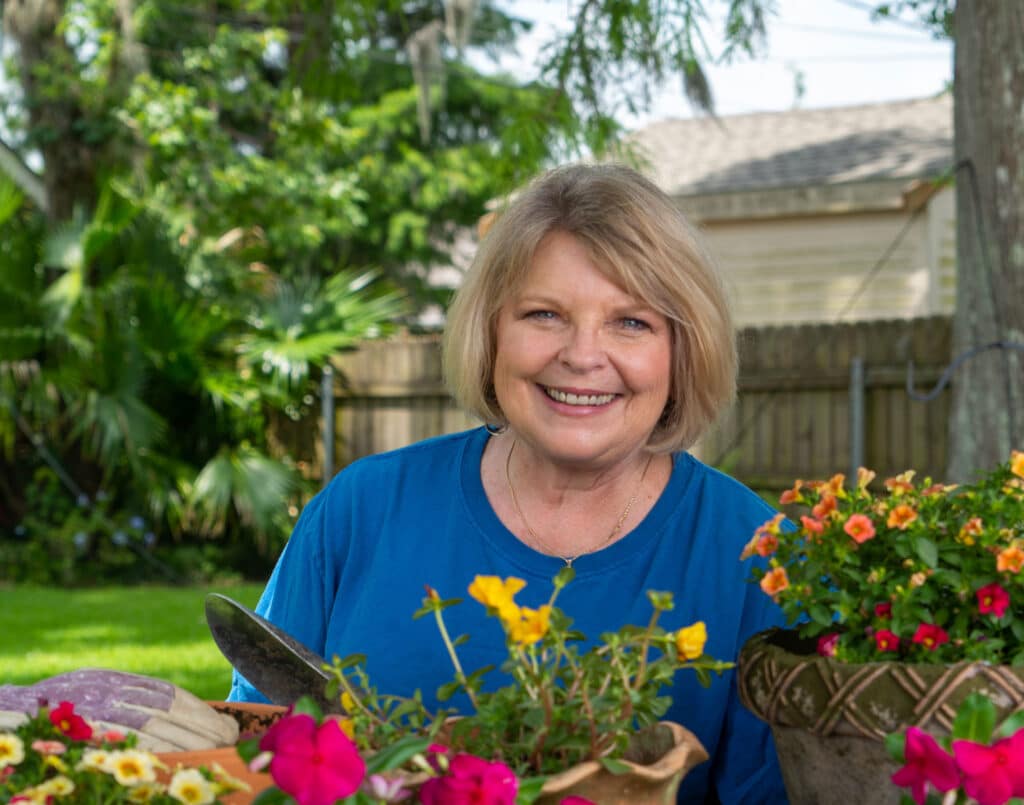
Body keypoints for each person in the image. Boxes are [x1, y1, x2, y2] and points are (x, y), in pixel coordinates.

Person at [228, 163, 789, 802]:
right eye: (544, 314)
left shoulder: (760, 556)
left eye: (631, 322)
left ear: (683, 349)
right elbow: (253, 757)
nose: (582, 355)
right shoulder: (361, 512)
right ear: (491, 332)